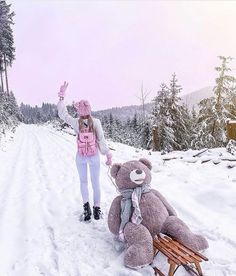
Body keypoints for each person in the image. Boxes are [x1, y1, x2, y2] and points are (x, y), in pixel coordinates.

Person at [57, 81, 112, 221]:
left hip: (80, 156)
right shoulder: (96, 122)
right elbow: (101, 140)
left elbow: (63, 115)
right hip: (94, 156)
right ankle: (97, 210)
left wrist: (62, 97)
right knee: (95, 182)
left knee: (83, 182)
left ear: (79, 111)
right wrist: (107, 154)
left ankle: (86, 209)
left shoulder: (76, 122)